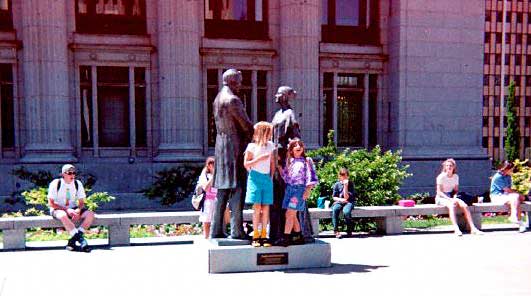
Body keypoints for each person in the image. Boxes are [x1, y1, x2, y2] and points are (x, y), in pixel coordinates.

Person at [210, 69, 254, 239]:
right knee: (237, 188)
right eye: (239, 82)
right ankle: (236, 231)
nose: (241, 85)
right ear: (233, 82)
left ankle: (216, 230)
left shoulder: (217, 98)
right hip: (234, 146)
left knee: (223, 190)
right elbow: (246, 126)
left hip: (221, 146)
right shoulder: (233, 100)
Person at [277, 138, 318, 247]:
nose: (298, 146)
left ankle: (285, 238)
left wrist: (308, 190)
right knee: (291, 214)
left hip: (299, 190)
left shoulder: (307, 160)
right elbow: (286, 177)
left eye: (300, 145)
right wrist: (279, 167)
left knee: (290, 213)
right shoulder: (290, 161)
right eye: (295, 145)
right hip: (290, 189)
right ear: (291, 150)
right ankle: (298, 236)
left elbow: (312, 175)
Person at [47, 164, 94, 252]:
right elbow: (51, 203)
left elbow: (81, 202)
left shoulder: (77, 183)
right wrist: (67, 210)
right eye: (69, 173)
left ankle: (72, 241)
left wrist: (78, 210)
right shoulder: (56, 183)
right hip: (58, 209)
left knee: (90, 214)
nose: (72, 175)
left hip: (73, 208)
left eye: (74, 173)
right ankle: (81, 240)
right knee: (62, 215)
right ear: (63, 174)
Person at [244, 121, 275, 247]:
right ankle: (255, 234)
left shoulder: (271, 145)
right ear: (264, 132)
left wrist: (271, 176)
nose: (271, 135)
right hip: (255, 177)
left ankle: (264, 234)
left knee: (266, 207)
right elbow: (246, 164)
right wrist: (259, 159)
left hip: (266, 178)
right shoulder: (251, 147)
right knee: (257, 207)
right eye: (269, 132)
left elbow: (272, 162)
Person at [435, 158, 483, 236]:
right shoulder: (441, 177)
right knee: (452, 205)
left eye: (450, 165)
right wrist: (450, 199)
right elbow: (439, 192)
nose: (449, 167)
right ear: (445, 167)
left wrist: (455, 196)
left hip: (451, 195)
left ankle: (473, 228)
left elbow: (456, 190)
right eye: (447, 165)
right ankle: (456, 229)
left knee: (464, 205)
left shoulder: (455, 176)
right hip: (441, 197)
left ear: (454, 167)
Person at [490, 160, 527, 233]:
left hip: (506, 196)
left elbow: (509, 190)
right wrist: (520, 195)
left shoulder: (508, 177)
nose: (512, 170)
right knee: (516, 197)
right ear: (505, 169)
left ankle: (516, 220)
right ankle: (519, 222)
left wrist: (518, 195)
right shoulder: (497, 177)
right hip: (496, 197)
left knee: (516, 200)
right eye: (511, 169)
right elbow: (507, 189)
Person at [196, 157, 218, 239]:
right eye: (213, 164)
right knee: (207, 220)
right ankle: (206, 237)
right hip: (208, 199)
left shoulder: (219, 174)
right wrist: (212, 177)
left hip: (217, 199)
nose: (215, 166)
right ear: (208, 165)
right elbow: (205, 187)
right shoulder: (205, 175)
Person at [331, 168, 355, 239]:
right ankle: (336, 230)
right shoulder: (336, 184)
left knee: (346, 212)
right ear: (339, 176)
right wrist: (341, 200)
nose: (344, 177)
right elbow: (334, 197)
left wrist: (345, 186)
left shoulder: (350, 184)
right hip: (339, 201)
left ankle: (349, 229)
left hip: (349, 202)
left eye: (345, 176)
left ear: (348, 176)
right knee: (335, 209)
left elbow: (346, 197)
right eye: (342, 176)